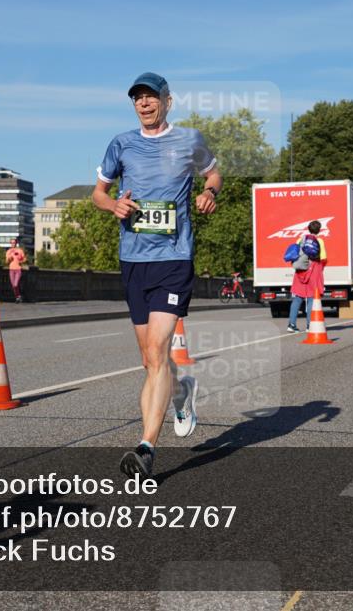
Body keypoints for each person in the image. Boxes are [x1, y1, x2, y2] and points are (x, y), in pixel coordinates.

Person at [92, 72, 222, 478]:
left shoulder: (190, 140)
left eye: (151, 97)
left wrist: (209, 192)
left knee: (158, 348)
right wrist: (111, 206)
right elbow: (98, 191)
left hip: (173, 257)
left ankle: (147, 446)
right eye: (138, 99)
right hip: (133, 259)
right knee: (151, 360)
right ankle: (181, 391)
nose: (144, 104)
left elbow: (213, 174)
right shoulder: (121, 144)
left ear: (168, 101)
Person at [288, 221, 328, 332]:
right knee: (312, 298)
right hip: (314, 270)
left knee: (297, 298)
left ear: (308, 229)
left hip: (300, 271)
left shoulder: (300, 239)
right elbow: (323, 258)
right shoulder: (319, 241)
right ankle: (309, 325)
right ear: (319, 230)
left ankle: (291, 324)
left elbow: (295, 254)